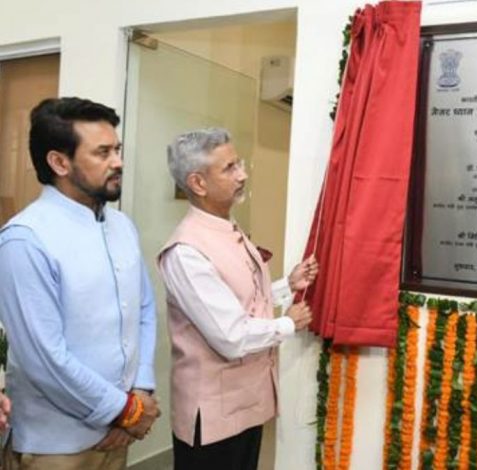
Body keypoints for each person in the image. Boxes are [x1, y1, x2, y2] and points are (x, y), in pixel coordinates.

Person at [0, 97, 160, 470]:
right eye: (102, 152)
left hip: (119, 431)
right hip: (56, 445)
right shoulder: (26, 240)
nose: (117, 161)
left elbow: (144, 311)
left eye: (116, 149)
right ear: (59, 162)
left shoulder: (122, 226)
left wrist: (139, 393)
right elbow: (45, 359)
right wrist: (125, 410)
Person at [158, 128, 316, 470]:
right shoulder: (186, 251)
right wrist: (288, 323)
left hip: (243, 403)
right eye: (229, 168)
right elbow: (230, 336)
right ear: (198, 184)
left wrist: (287, 285)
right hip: (214, 417)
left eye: (239, 163)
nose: (242, 174)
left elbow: (237, 299)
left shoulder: (226, 227)